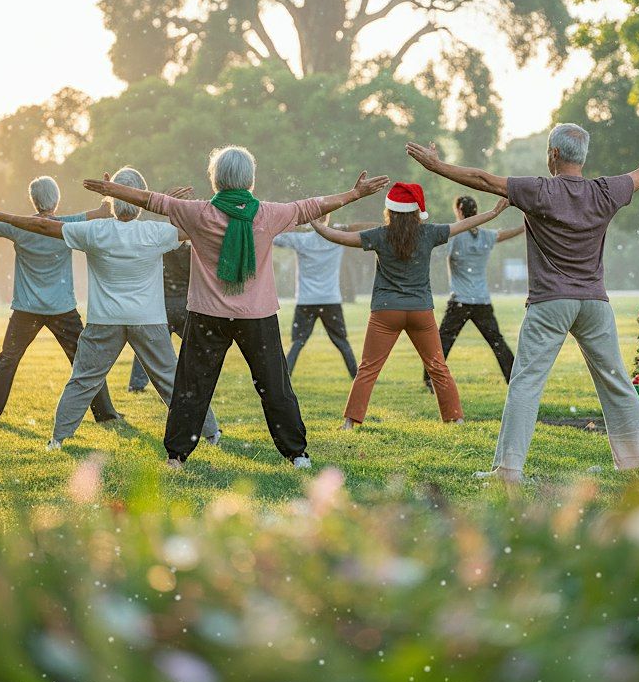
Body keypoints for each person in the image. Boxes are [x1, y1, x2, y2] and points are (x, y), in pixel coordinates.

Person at [405, 124, 639, 484]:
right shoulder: (604, 191)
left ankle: (508, 471)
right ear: (582, 158)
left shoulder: (539, 190)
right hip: (594, 304)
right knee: (617, 383)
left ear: (553, 154)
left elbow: (482, 179)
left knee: (525, 384)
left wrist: (437, 166)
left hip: (550, 303)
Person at [83, 147, 389, 470]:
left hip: (207, 317)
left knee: (192, 387)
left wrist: (112, 190)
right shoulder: (267, 215)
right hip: (257, 317)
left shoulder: (198, 213)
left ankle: (176, 457)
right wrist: (355, 194)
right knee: (275, 387)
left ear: (215, 180)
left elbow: (152, 201)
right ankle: (297, 454)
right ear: (250, 181)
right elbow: (313, 206)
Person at [0, 167, 219, 450]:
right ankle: (211, 433)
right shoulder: (155, 232)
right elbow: (200, 228)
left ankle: (57, 440)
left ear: (113, 200)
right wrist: (171, 206)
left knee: (83, 381)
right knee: (173, 382)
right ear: (141, 199)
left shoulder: (95, 231)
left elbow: (43, 226)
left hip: (105, 321)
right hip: (148, 321)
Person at [0, 177, 121, 425]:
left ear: (33, 200)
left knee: (7, 359)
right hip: (62, 309)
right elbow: (104, 211)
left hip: (27, 310)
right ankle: (105, 415)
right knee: (84, 362)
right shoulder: (67, 224)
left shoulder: (17, 226)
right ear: (56, 200)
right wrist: (108, 191)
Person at [311, 182, 510, 429]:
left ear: (390, 211)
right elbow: (463, 225)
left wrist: (317, 225)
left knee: (368, 369)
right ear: (416, 212)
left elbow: (341, 237)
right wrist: (492, 213)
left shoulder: (380, 235)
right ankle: (455, 418)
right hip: (420, 312)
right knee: (438, 366)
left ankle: (349, 423)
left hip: (386, 311)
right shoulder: (429, 233)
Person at [423, 195, 525, 390]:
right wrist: (524, 227)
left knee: (443, 340)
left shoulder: (454, 235)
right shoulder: (486, 236)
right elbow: (505, 234)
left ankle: (430, 379)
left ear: (459, 211)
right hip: (482, 300)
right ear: (476, 211)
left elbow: (437, 253)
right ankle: (513, 377)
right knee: (497, 341)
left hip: (460, 300)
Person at [273, 214, 369, 380]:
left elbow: (275, 238)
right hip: (330, 299)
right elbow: (362, 232)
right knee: (341, 341)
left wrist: (298, 227)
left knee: (298, 342)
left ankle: (284, 379)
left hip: (306, 301)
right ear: (327, 219)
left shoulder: (302, 240)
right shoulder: (337, 239)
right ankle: (357, 377)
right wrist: (343, 227)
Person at [126, 242, 191, 393]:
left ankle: (137, 384)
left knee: (148, 346)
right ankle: (192, 381)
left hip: (162, 305)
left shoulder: (160, 251)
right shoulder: (190, 252)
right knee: (196, 347)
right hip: (185, 305)